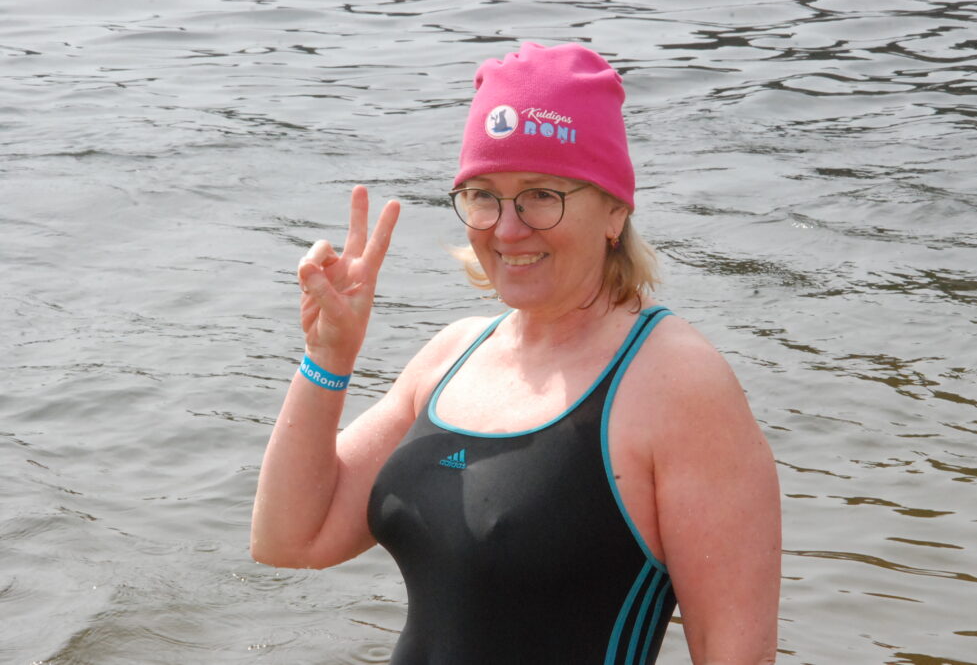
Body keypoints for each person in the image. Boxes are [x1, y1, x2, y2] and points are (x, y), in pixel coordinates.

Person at [251, 42, 781, 664]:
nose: (507, 228)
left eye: (541, 195)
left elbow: (735, 655)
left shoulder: (677, 383)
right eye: (484, 195)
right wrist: (328, 358)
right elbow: (291, 539)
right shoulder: (452, 355)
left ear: (614, 210)